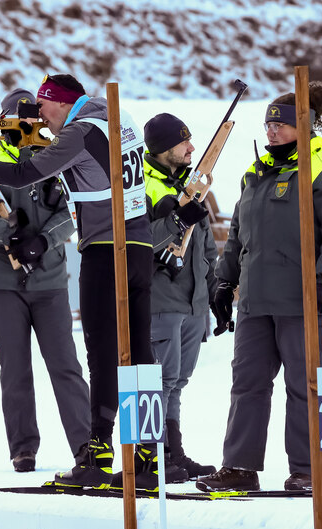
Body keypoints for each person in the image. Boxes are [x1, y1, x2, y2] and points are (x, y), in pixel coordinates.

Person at [0, 74, 155, 488]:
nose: (39, 115)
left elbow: (25, 174)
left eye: (42, 105)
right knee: (140, 351)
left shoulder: (77, 133)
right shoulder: (116, 116)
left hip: (105, 245)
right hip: (137, 242)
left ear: (62, 103)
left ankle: (97, 454)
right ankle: (148, 454)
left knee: (101, 353)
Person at [197, 82, 322, 492]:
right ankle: (239, 467)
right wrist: (224, 282)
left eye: (280, 124)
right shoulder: (255, 173)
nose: (271, 130)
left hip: (305, 300)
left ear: (302, 125)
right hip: (256, 300)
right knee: (247, 384)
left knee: (305, 386)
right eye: (268, 124)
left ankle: (307, 469)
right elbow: (238, 235)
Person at [0, 89, 91, 472]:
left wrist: (44, 240)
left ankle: (86, 446)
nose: (30, 123)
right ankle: (23, 449)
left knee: (65, 366)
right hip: (3, 282)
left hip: (49, 280)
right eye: (20, 118)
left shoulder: (55, 155)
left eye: (34, 116)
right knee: (14, 369)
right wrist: (10, 235)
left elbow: (73, 209)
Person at [138, 113, 218, 481]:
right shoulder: (140, 185)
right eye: (183, 142)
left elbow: (206, 247)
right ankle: (152, 455)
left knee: (178, 382)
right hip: (161, 299)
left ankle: (173, 452)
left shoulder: (191, 185)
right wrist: (176, 220)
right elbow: (136, 241)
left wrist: (215, 293)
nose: (191, 148)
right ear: (162, 148)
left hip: (192, 302)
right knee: (159, 381)